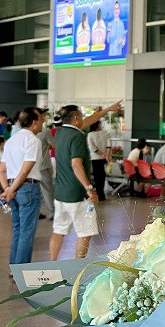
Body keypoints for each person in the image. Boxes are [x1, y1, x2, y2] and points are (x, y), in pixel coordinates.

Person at [48, 105, 99, 260]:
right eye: (81, 116)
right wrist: (89, 188)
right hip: (78, 194)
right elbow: (76, 164)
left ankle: (52, 263)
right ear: (76, 118)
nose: (83, 119)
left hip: (61, 193)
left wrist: (108, 109)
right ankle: (78, 267)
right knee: (86, 231)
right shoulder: (78, 136)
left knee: (59, 230)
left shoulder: (59, 133)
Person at [0, 107, 44, 265]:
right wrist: (12, 189)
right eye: (41, 120)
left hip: (13, 189)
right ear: (34, 123)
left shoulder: (10, 141)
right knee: (27, 232)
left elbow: (1, 170)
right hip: (27, 189)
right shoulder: (33, 141)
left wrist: (7, 189)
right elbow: (25, 171)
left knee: (17, 229)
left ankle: (13, 267)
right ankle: (21, 270)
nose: (43, 123)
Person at [87, 119, 111, 201]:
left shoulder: (90, 135)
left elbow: (92, 148)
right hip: (104, 159)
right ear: (98, 125)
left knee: (97, 176)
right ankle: (102, 194)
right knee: (102, 175)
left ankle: (99, 193)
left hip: (95, 158)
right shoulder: (105, 133)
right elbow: (109, 145)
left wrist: (101, 154)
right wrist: (106, 155)